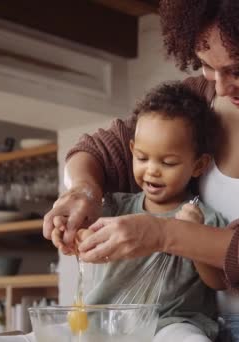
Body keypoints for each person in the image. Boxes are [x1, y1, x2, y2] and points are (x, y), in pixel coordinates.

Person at [44, 1, 239, 341]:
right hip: (196, 327)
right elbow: (98, 150)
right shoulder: (199, 98)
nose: (222, 87)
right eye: (206, 65)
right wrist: (82, 192)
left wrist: (162, 233)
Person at [53, 82, 228, 342]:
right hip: (104, 322)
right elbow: (82, 234)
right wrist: (69, 232)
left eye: (168, 162)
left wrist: (193, 235)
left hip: (170, 325)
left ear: (199, 165)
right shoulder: (113, 208)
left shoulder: (204, 217)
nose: (152, 170)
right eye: (143, 158)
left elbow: (218, 282)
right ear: (132, 150)